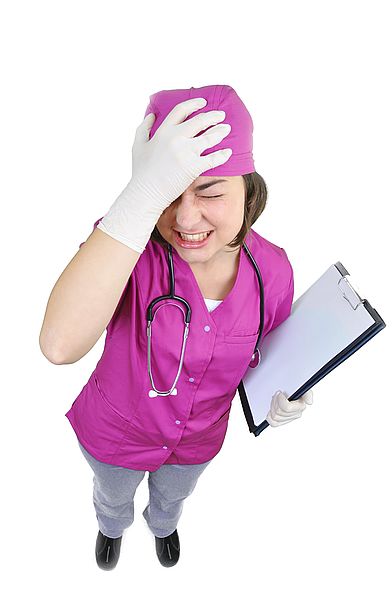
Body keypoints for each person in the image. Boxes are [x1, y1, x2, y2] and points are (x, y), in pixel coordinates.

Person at [39, 84, 314, 571]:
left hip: (198, 442)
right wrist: (140, 195)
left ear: (248, 190)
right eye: (167, 193)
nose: (186, 218)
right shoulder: (127, 244)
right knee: (112, 495)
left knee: (173, 497)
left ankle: (163, 526)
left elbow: (266, 355)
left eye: (210, 191)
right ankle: (111, 527)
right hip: (115, 436)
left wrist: (287, 389)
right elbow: (59, 345)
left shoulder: (272, 270)